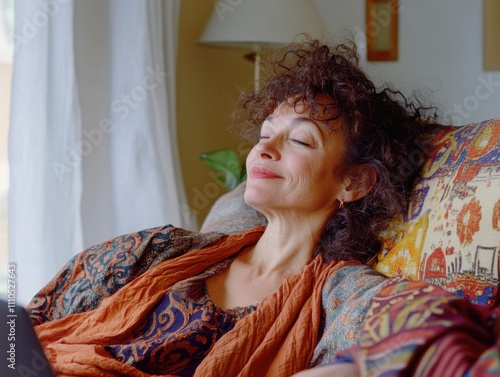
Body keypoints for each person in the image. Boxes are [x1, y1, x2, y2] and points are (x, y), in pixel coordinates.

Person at [27, 36, 492, 377]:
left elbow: (430, 329)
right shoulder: (162, 250)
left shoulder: (339, 295)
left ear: (353, 182)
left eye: (301, 140)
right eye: (265, 133)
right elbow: (31, 325)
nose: (263, 150)